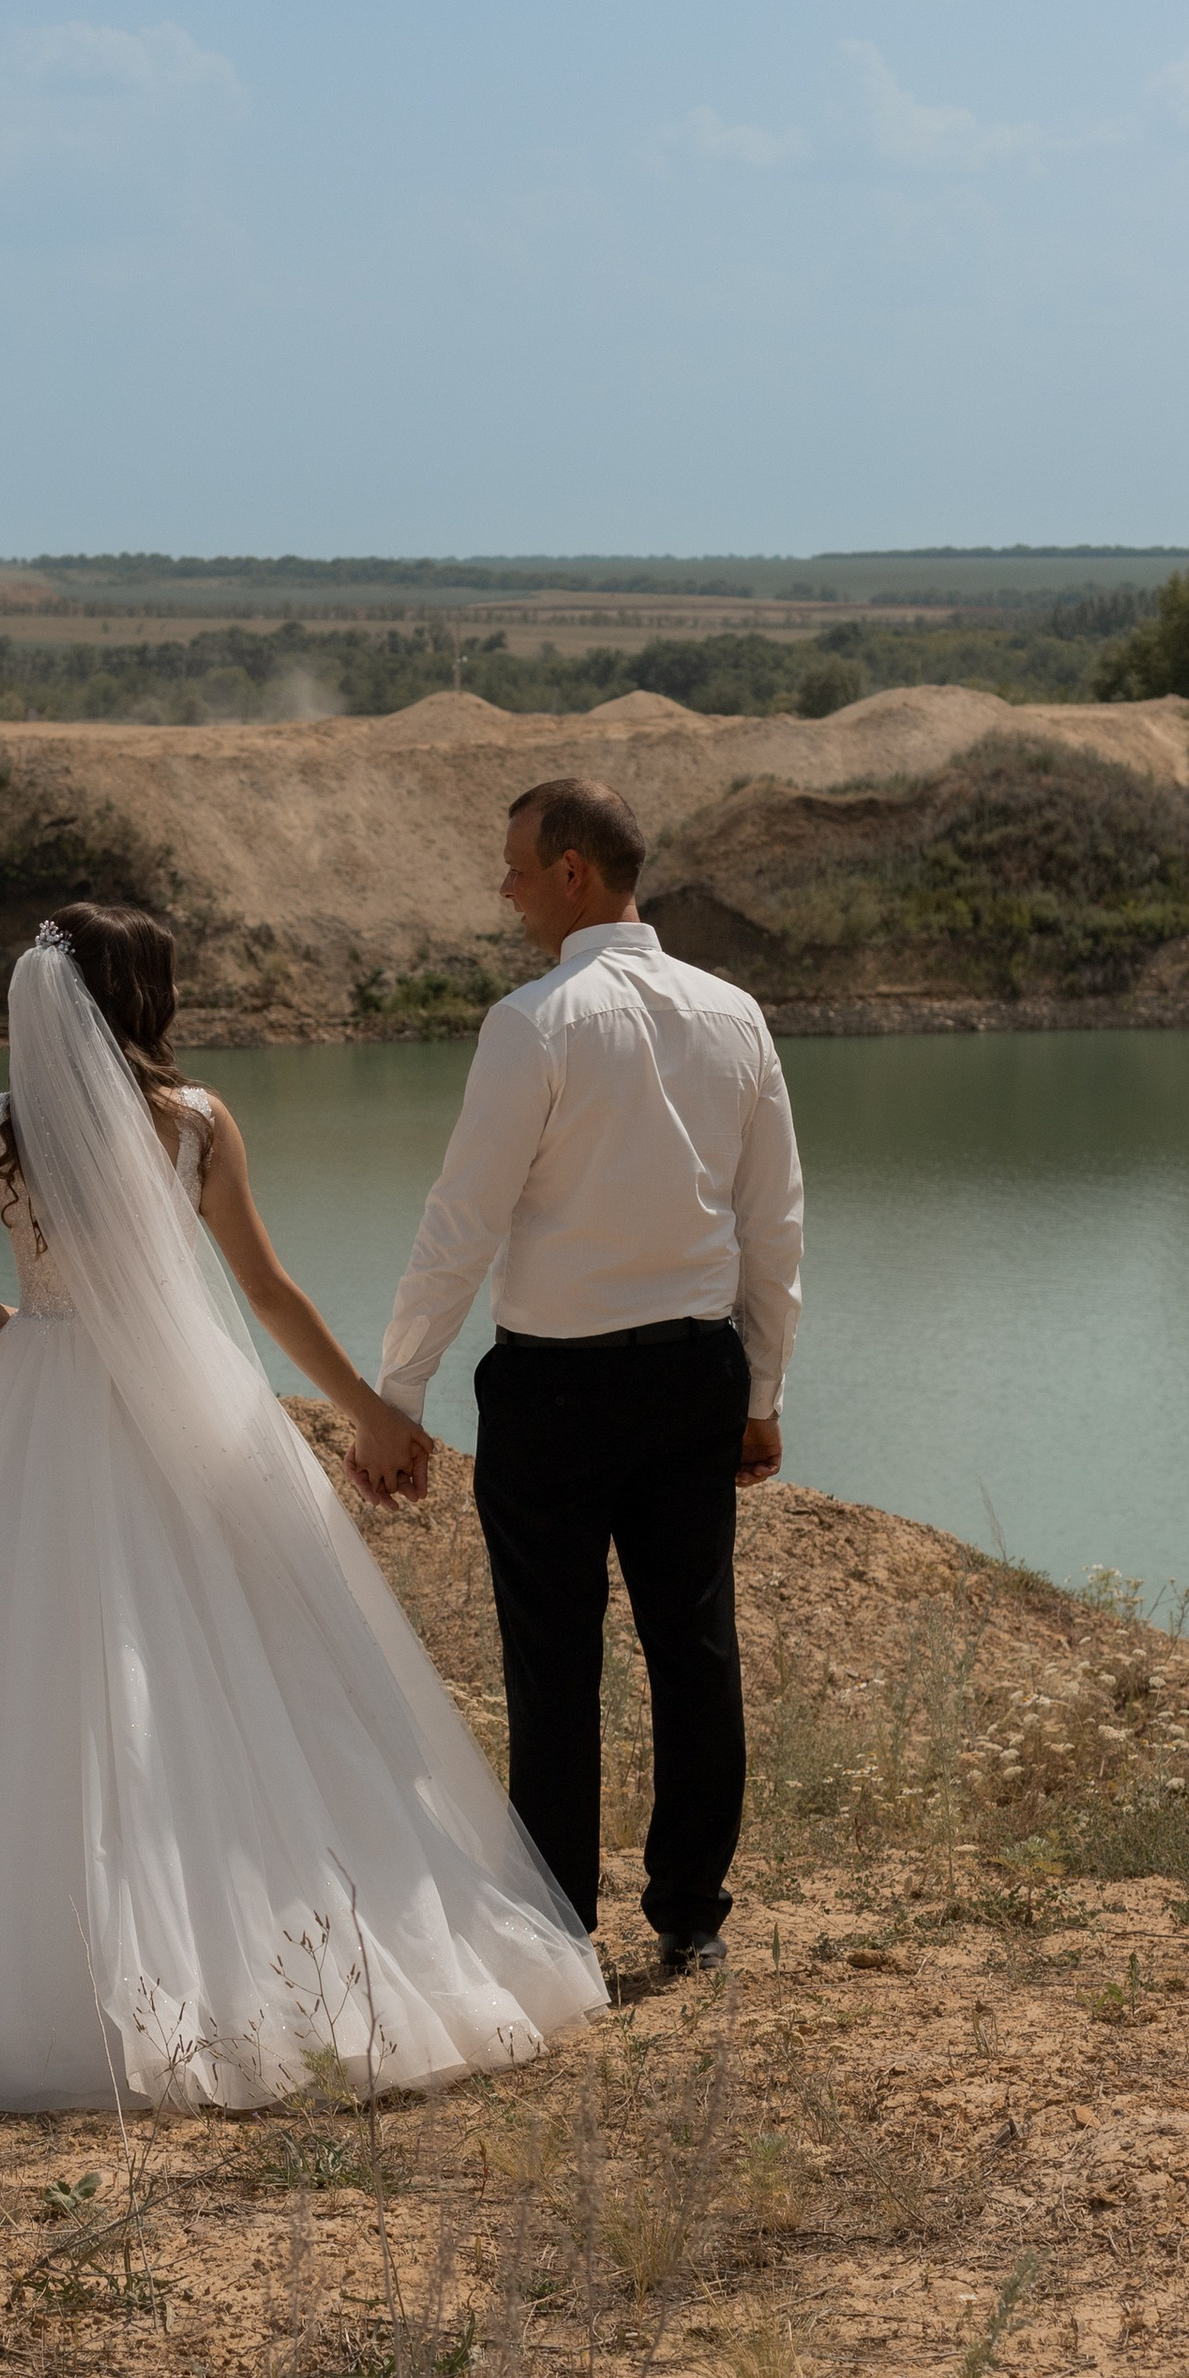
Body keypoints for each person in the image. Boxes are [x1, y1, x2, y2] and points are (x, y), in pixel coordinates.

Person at [0, 902, 605, 2112]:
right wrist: (370, 1415)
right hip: (188, 1402)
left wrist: (36, 1339)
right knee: (238, 1656)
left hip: (36, 1405)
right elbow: (268, 1293)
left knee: (12, 1670)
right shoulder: (194, 1122)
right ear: (144, 998)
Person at [370, 778, 803, 1973]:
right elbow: (775, 1226)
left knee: (553, 1662)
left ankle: (559, 1925)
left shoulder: (535, 1022)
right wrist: (762, 1390)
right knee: (693, 1648)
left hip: (555, 1391)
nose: (502, 891)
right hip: (695, 1377)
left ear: (571, 873)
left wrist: (396, 1395)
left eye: (514, 868)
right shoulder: (733, 1014)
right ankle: (691, 1919)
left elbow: (460, 1222)